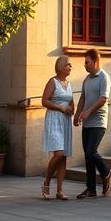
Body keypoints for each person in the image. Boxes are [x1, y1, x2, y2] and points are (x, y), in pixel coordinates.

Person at [73, 49, 111, 198]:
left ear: (95, 62)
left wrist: (88, 112)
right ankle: (91, 189)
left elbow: (103, 99)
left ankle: (106, 173)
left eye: (87, 62)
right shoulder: (87, 79)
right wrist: (77, 114)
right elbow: (83, 98)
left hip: (99, 122)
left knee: (91, 151)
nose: (84, 65)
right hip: (87, 123)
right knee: (87, 156)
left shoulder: (104, 78)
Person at [41, 55, 74, 200]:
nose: (70, 67)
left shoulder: (69, 84)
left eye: (70, 65)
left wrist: (73, 109)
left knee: (64, 156)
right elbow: (44, 101)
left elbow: (72, 101)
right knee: (58, 153)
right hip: (54, 120)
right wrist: (60, 107)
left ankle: (60, 190)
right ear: (60, 66)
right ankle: (46, 182)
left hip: (66, 121)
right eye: (68, 64)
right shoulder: (52, 81)